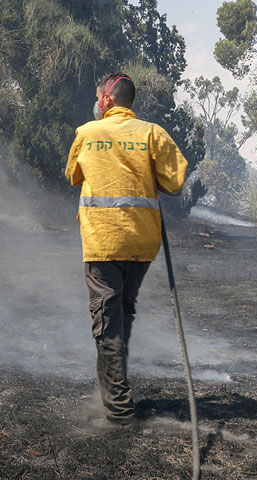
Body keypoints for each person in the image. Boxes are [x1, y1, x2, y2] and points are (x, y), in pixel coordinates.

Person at [65, 72, 188, 426]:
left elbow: (73, 175)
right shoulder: (153, 133)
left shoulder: (87, 133)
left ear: (106, 99)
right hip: (141, 244)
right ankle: (111, 388)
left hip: (103, 242)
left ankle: (118, 410)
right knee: (122, 312)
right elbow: (176, 182)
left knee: (108, 322)